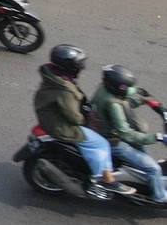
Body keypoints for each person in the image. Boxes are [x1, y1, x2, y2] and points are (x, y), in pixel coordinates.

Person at [34, 44, 136, 199]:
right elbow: (74, 117)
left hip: (54, 117)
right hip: (62, 126)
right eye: (79, 64)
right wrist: (87, 120)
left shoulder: (56, 76)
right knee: (101, 143)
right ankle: (102, 180)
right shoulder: (64, 89)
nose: (82, 67)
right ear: (70, 66)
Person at [91, 64, 167, 206]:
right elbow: (126, 134)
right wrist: (157, 137)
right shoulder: (113, 104)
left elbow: (129, 95)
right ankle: (160, 197)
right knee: (153, 168)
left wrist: (149, 101)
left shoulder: (104, 88)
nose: (127, 90)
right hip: (114, 141)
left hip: (101, 131)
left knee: (143, 157)